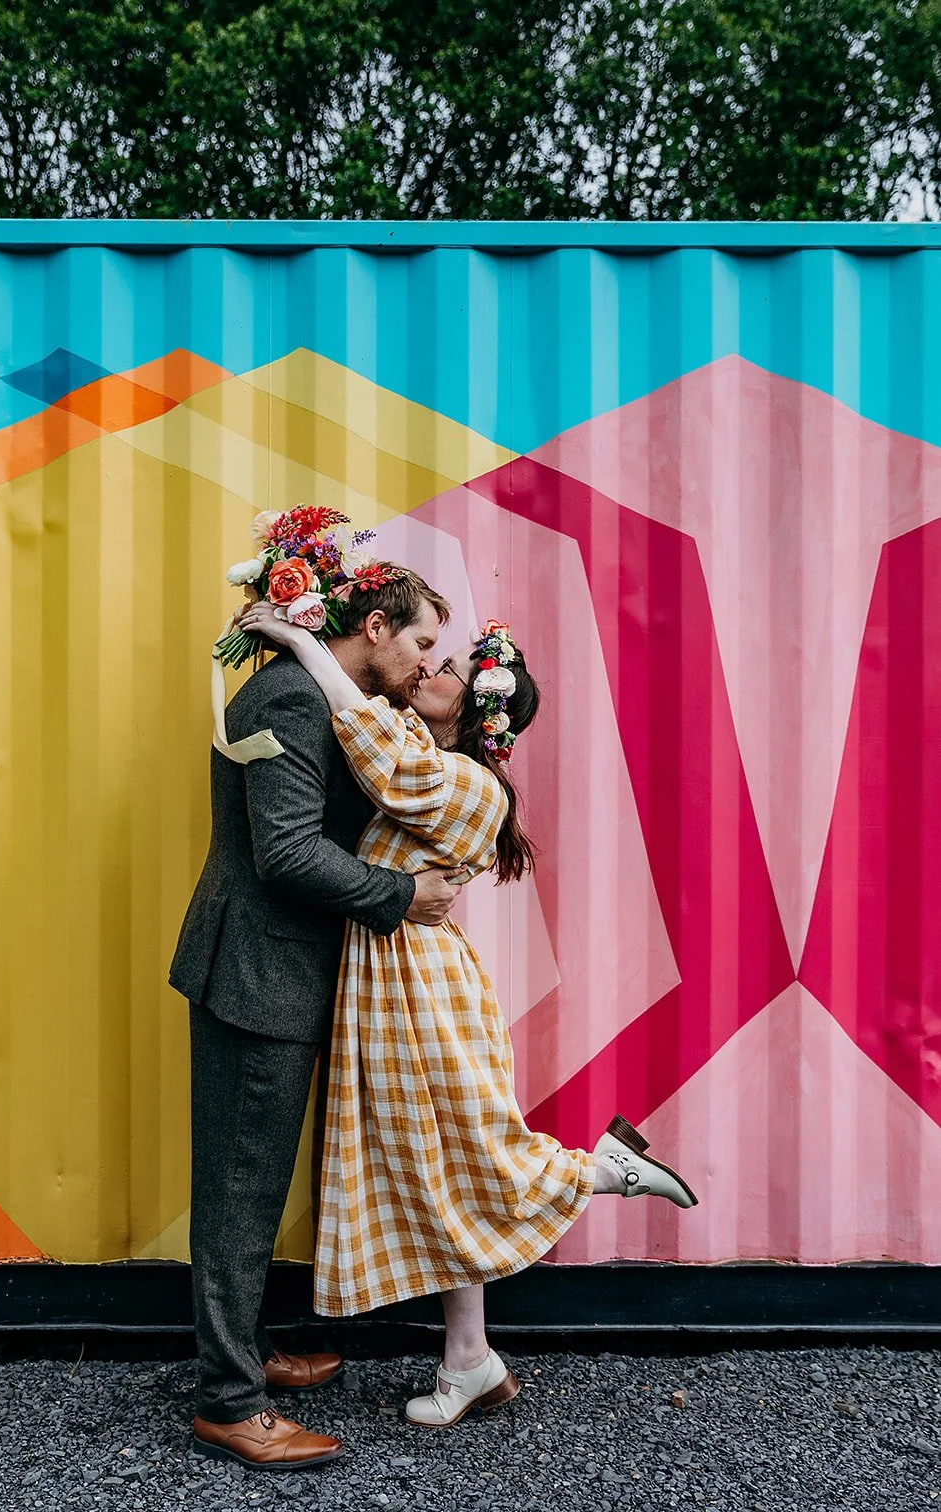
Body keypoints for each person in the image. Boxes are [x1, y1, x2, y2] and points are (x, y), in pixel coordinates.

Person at [238, 599, 699, 1431]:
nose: (429, 667)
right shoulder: (425, 748)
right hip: (395, 981)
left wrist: (303, 641)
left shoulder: (469, 785)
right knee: (438, 1161)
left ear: (476, 708)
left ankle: (597, 1170)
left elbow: (375, 752)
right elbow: (380, 734)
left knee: (465, 1149)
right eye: (430, 653)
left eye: (445, 670)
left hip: (422, 989)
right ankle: (468, 1359)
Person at [168, 566, 461, 1471]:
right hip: (258, 972)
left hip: (274, 968)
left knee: (250, 1178)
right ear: (372, 627)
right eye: (417, 644)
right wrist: (401, 894)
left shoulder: (305, 687)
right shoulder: (292, 701)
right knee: (239, 1189)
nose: (423, 664)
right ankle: (228, 1403)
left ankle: (243, 1356)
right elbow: (288, 853)